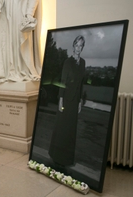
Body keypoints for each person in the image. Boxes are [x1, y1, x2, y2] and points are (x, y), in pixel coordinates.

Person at [49, 35, 86, 166]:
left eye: (81, 45)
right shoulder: (67, 62)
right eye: (76, 45)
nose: (78, 48)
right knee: (62, 128)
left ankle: (67, 159)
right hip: (65, 101)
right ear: (73, 46)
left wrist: (81, 101)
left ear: (82, 47)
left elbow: (81, 83)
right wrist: (60, 100)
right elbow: (63, 82)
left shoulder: (83, 63)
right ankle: (56, 156)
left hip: (75, 101)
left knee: (71, 130)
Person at [0, 0, 42, 83]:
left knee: (18, 38)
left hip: (20, 8)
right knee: (2, 38)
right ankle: (1, 72)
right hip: (6, 8)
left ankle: (20, 71)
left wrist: (29, 12)